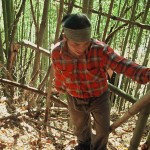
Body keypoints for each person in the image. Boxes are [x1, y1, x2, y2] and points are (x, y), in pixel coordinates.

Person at [51, 13, 150, 150]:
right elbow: (58, 72)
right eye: (76, 44)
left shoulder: (100, 50)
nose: (81, 48)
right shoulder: (57, 52)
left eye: (85, 43)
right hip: (74, 97)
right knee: (80, 128)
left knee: (102, 131)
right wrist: (59, 85)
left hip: (99, 98)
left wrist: (146, 74)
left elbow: (122, 64)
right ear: (66, 37)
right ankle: (84, 146)